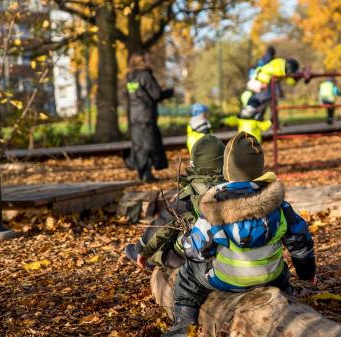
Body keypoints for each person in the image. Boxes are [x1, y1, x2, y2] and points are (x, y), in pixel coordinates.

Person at [163, 132, 317, 337]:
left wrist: (184, 242)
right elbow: (300, 242)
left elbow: (196, 251)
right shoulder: (279, 206)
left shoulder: (215, 207)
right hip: (271, 276)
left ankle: (183, 326)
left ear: (227, 169)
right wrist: (307, 272)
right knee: (283, 274)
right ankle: (288, 298)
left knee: (188, 275)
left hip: (228, 279)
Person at [124, 135, 226, 269]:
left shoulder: (193, 191)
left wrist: (141, 248)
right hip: (236, 246)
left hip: (205, 252)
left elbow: (164, 222)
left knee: (175, 240)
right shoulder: (236, 182)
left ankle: (149, 261)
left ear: (194, 164)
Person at [223, 58, 301, 142]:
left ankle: (266, 118)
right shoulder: (274, 68)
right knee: (253, 108)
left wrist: (297, 77)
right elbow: (266, 71)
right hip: (261, 91)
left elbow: (289, 80)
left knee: (259, 110)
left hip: (264, 94)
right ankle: (252, 111)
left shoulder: (277, 71)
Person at [124, 51, 174, 182]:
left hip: (135, 116)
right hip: (146, 115)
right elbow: (156, 94)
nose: (149, 61)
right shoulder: (145, 75)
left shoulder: (130, 76)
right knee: (149, 143)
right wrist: (169, 92)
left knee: (139, 143)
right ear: (141, 61)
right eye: (147, 59)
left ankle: (141, 172)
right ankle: (147, 174)